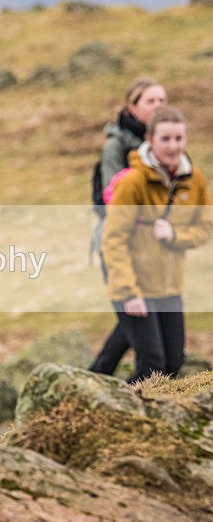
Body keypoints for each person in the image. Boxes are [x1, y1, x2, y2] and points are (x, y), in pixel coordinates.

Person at [100, 105, 211, 383]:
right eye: (165, 139)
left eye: (178, 139)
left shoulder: (193, 180)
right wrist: (128, 292)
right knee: (152, 364)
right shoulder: (133, 182)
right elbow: (113, 240)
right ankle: (119, 415)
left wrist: (176, 236)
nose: (173, 146)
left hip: (169, 286)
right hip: (135, 286)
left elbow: (206, 226)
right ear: (150, 140)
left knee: (173, 362)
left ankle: (111, 398)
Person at [89, 78, 167, 376]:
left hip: (155, 250)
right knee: (147, 341)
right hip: (123, 246)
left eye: (162, 100)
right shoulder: (116, 146)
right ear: (132, 108)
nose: (158, 106)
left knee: (134, 323)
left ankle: (93, 380)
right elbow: (113, 200)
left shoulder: (164, 144)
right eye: (151, 101)